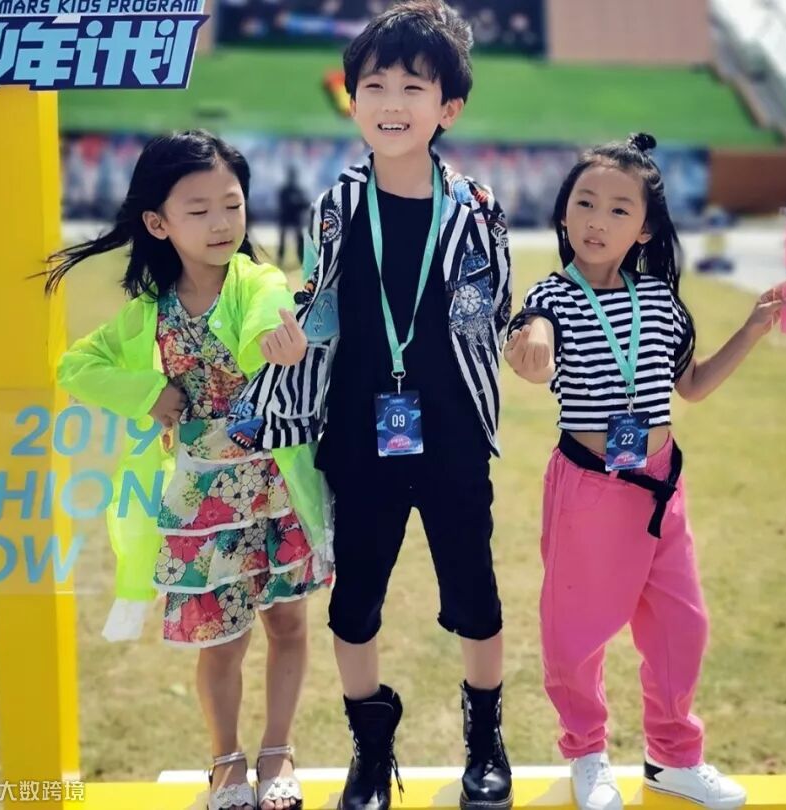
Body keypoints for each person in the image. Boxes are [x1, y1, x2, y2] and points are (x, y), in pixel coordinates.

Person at [228, 4, 514, 810]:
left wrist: (525, 336)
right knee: (354, 604)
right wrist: (289, 331)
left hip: (452, 434)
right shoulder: (337, 204)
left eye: (413, 87)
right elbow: (322, 304)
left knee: (476, 594)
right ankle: (370, 746)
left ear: (448, 109)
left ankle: (485, 740)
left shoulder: (477, 205)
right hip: (359, 433)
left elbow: (495, 309)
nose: (392, 101)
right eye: (375, 85)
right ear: (351, 100)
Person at [505, 133, 786, 810]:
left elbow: (690, 386)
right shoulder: (555, 295)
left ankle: (673, 758)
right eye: (584, 202)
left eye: (618, 209)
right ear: (562, 213)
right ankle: (587, 755)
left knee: (681, 625)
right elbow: (535, 335)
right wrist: (533, 346)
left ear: (644, 229)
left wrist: (751, 331)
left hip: (662, 486)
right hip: (590, 488)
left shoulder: (661, 302)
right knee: (576, 632)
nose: (597, 220)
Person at [46, 130, 332, 810]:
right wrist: (148, 393)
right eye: (198, 209)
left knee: (289, 626)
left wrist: (272, 338)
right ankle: (226, 762)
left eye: (232, 204)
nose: (221, 223)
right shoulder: (146, 317)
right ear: (158, 223)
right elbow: (75, 366)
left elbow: (265, 311)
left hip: (277, 493)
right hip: (201, 505)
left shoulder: (258, 281)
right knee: (221, 641)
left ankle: (278, 750)